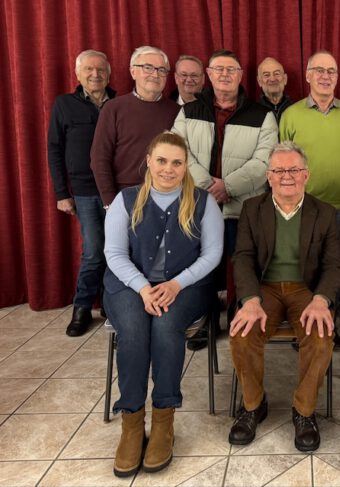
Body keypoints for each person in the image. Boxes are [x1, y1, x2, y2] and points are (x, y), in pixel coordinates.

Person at [103, 132, 224, 477]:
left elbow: (212, 254)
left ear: (186, 166)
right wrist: (144, 288)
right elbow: (114, 254)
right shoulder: (125, 200)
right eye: (161, 161)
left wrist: (175, 284)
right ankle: (131, 423)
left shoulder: (204, 202)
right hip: (130, 285)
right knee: (133, 330)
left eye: (176, 162)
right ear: (148, 161)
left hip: (186, 286)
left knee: (167, 326)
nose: (168, 169)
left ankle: (163, 420)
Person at [228, 141, 340, 452]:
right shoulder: (252, 209)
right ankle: (253, 406)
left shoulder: (324, 213)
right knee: (242, 335)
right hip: (263, 289)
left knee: (321, 337)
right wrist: (250, 300)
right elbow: (243, 257)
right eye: (279, 170)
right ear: (269, 176)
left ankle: (304, 411)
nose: (286, 176)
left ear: (306, 175)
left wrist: (321, 300)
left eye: (294, 169)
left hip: (306, 290)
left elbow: (333, 265)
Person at [172, 48, 277, 347]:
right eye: (219, 69)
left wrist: (228, 186)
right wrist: (209, 186)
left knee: (239, 265)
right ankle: (204, 317)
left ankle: (237, 315)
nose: (225, 74)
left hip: (241, 207)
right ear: (209, 74)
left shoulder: (262, 114)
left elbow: (265, 161)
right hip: (198, 205)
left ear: (241, 75)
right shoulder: (188, 111)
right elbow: (178, 152)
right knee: (199, 263)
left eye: (231, 69)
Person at [47, 49, 116, 336]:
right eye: (89, 69)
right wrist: (62, 194)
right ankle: (82, 307)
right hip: (85, 192)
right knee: (94, 251)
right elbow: (54, 149)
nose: (95, 74)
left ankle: (112, 305)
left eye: (100, 69)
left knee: (119, 250)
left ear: (109, 74)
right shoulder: (64, 104)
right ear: (78, 73)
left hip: (117, 190)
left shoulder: (119, 102)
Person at [280, 50, 340, 263]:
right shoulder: (290, 115)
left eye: (331, 71)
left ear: (337, 77)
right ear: (308, 75)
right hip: (303, 207)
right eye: (319, 70)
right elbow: (281, 167)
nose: (325, 76)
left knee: (337, 267)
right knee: (306, 268)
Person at [91, 46, 180, 207]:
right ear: (133, 72)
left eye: (161, 70)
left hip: (168, 196)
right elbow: (100, 158)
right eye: (148, 67)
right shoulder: (113, 108)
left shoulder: (177, 111)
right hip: (124, 196)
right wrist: (110, 203)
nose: (155, 74)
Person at [257, 56, 293, 122]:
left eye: (276, 74)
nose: (272, 79)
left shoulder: (296, 109)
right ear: (259, 81)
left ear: (285, 79)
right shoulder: (252, 112)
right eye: (266, 75)